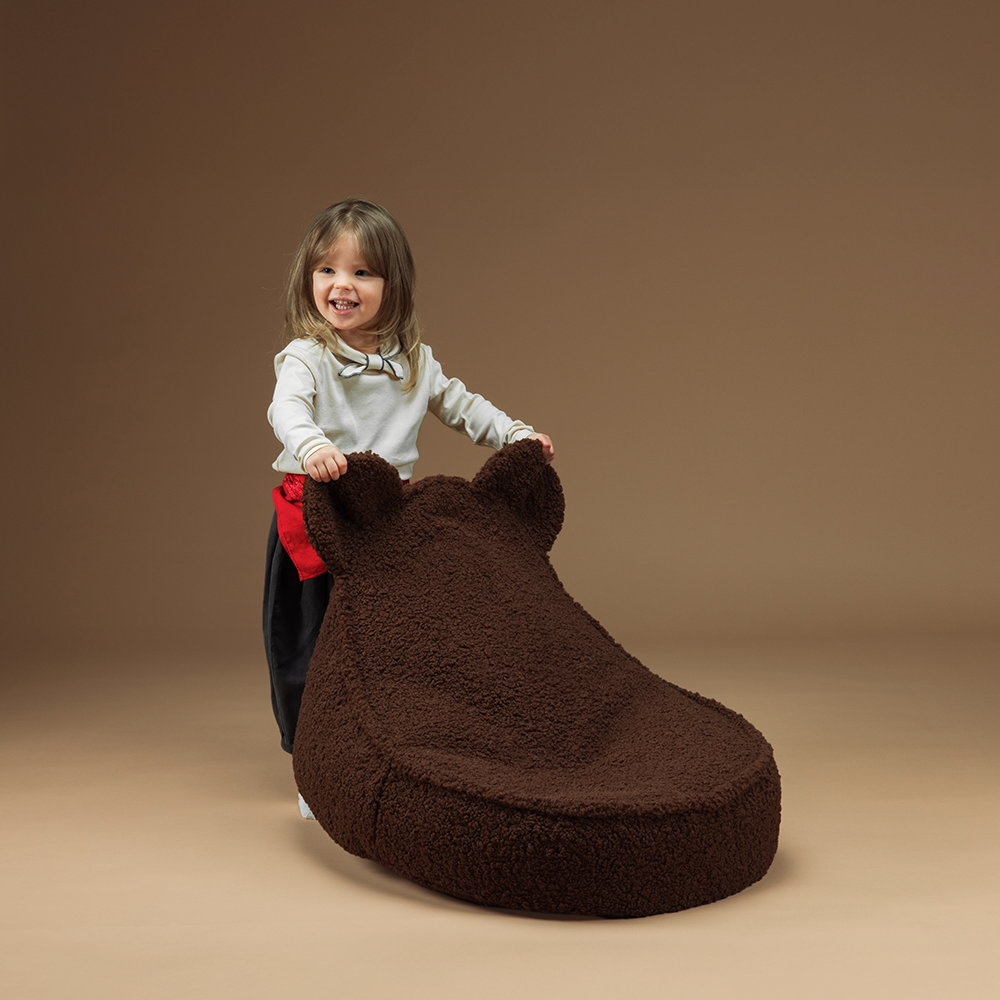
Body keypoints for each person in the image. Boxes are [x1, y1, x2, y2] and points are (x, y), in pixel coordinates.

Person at [264, 198, 554, 761]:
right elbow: (286, 409)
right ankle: (313, 756)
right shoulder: (307, 357)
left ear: (392, 285)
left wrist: (516, 435)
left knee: (389, 639)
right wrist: (313, 445)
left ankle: (383, 744)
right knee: (309, 641)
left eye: (361, 272)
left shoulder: (414, 361)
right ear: (308, 278)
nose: (341, 284)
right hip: (318, 514)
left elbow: (464, 406)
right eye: (327, 269)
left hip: (384, 520)